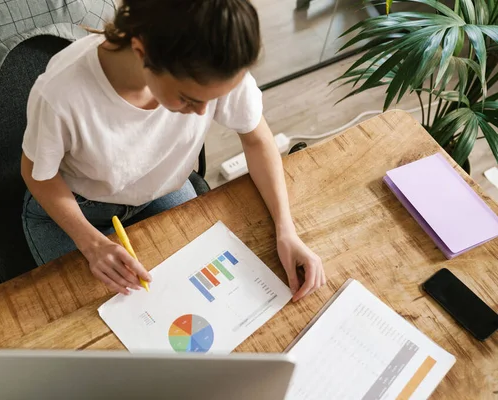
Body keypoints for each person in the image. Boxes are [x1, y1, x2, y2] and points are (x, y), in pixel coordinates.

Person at [21, 0, 325, 302]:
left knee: (197, 297)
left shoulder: (215, 63)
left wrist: (286, 230)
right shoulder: (61, 95)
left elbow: (257, 139)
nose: (203, 112)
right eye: (188, 98)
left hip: (158, 192)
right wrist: (91, 244)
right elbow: (38, 175)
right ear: (143, 53)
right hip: (78, 207)